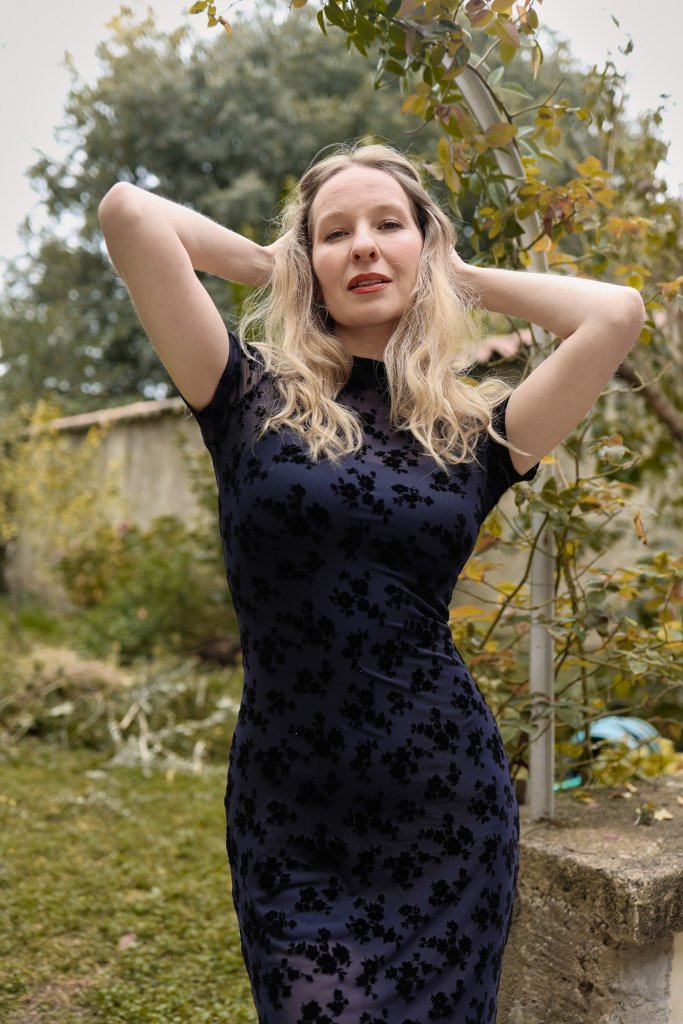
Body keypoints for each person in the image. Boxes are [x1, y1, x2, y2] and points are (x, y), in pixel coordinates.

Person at [98, 142, 644, 1024]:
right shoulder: (243, 393)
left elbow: (615, 312)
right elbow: (128, 212)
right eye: (334, 233)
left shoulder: (472, 432)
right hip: (292, 813)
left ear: (423, 246)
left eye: (389, 225)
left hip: (445, 812)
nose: (362, 245)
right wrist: (270, 264)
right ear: (307, 259)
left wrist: (454, 273)